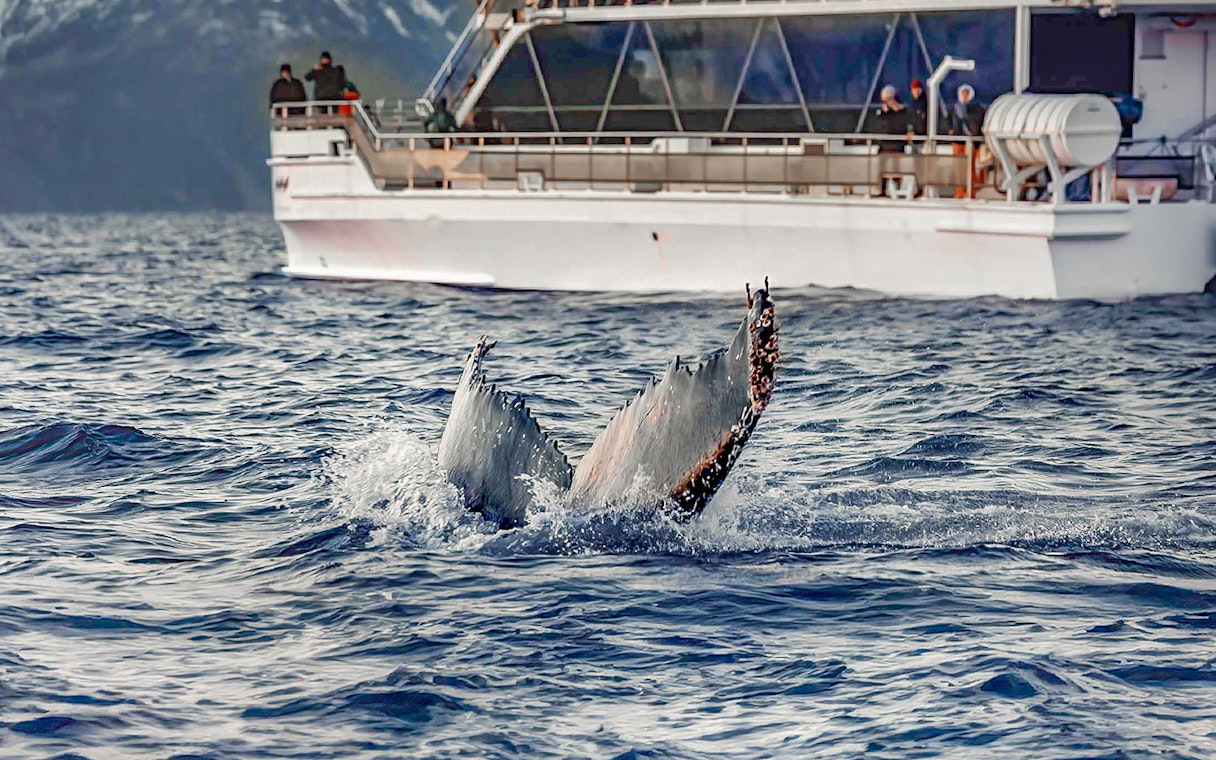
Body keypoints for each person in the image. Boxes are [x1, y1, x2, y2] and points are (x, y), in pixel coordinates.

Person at [873, 84, 908, 152]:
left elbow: (900, 127)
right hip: (884, 144)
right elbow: (878, 128)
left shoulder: (902, 112)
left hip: (897, 145)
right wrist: (884, 113)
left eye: (888, 100)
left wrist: (897, 111)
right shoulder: (881, 113)